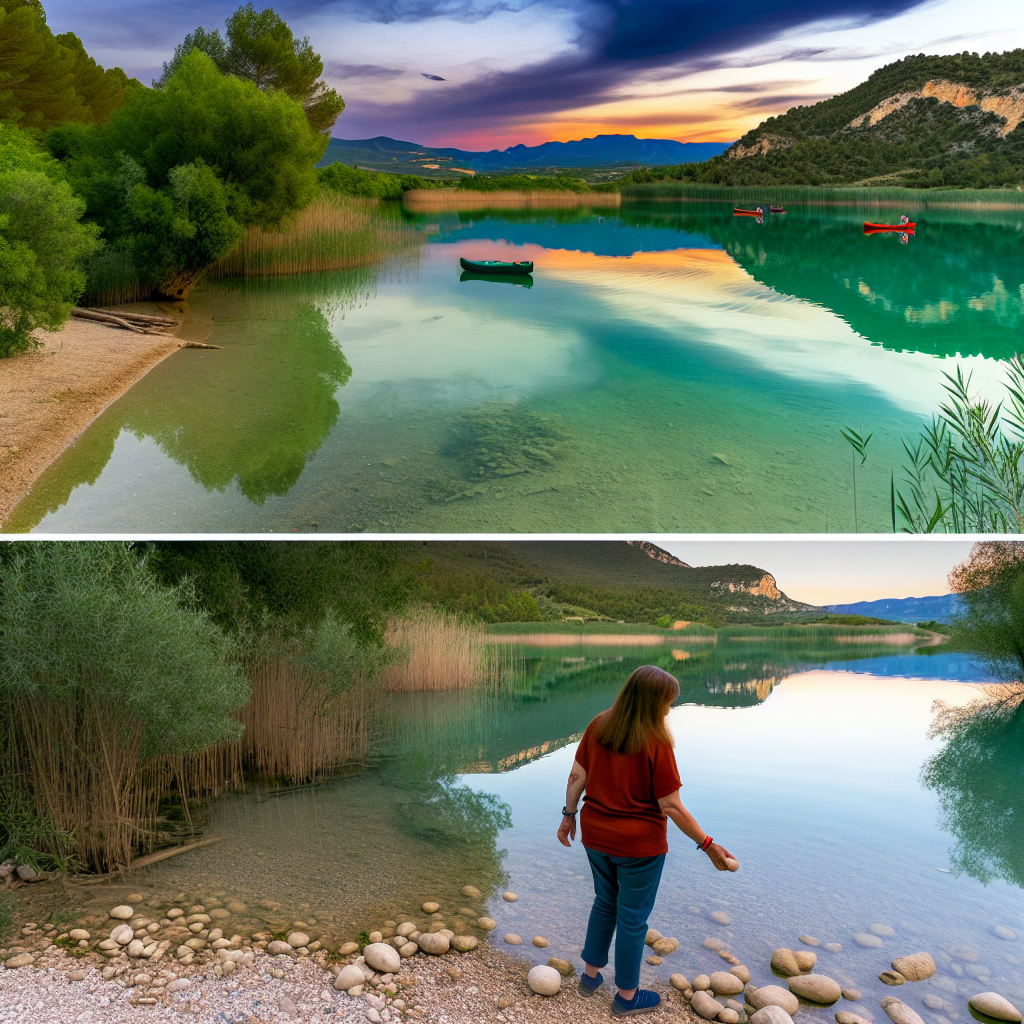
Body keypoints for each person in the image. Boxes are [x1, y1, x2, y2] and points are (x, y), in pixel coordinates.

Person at [557, 665, 736, 1017]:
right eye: (667, 703)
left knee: (605, 902)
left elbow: (578, 775)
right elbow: (670, 805)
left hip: (596, 835)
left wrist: (568, 815)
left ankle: (590, 978)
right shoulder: (656, 741)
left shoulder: (599, 724)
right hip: (639, 847)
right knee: (633, 919)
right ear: (654, 702)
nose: (669, 709)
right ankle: (627, 996)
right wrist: (708, 844)